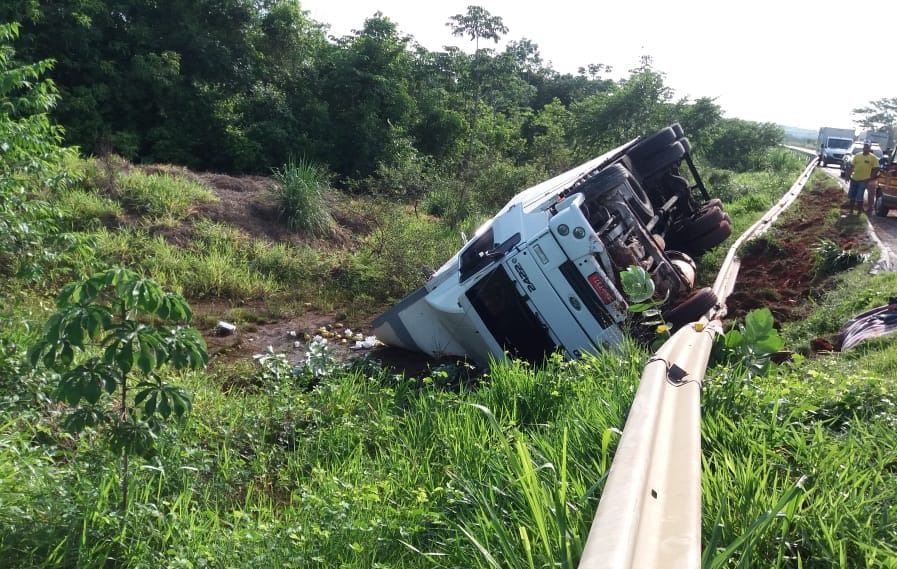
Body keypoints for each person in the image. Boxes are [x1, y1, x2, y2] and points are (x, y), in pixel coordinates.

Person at [847, 142, 880, 215]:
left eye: (867, 148)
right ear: (863, 148)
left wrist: (871, 177)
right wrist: (849, 175)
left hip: (864, 180)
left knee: (860, 195)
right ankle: (851, 211)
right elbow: (852, 166)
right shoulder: (857, 156)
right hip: (854, 178)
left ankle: (859, 212)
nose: (866, 149)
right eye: (865, 147)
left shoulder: (873, 158)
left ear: (869, 148)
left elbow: (877, 168)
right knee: (852, 195)